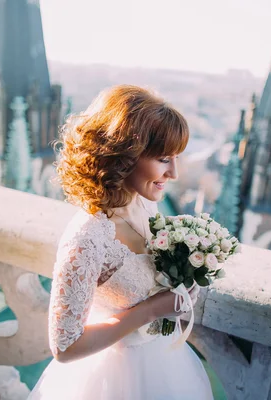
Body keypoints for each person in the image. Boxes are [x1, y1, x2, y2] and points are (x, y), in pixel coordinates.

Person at [28, 85, 213, 399]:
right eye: (164, 159)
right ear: (126, 155)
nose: (175, 173)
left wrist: (183, 285)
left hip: (163, 364)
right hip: (108, 379)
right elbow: (64, 346)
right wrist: (152, 310)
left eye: (176, 158)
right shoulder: (88, 236)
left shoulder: (146, 205)